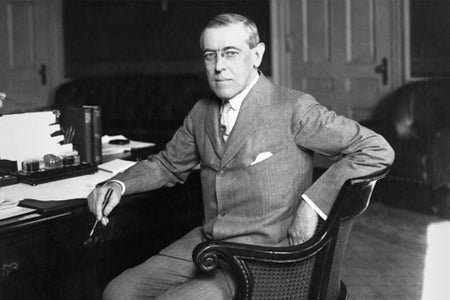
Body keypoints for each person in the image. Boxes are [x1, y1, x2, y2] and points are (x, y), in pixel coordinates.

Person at [88, 13, 394, 300]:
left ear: (257, 55)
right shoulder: (201, 112)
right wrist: (119, 185)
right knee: (118, 292)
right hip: (208, 243)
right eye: (211, 55)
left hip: (265, 254)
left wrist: (313, 203)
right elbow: (168, 164)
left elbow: (376, 148)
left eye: (231, 53)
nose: (219, 66)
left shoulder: (293, 108)